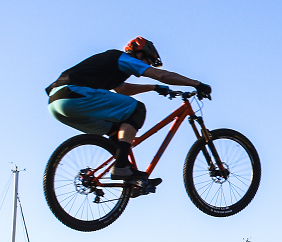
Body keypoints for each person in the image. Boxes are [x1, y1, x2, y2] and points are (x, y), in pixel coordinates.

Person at [46, 37, 212, 182]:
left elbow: (123, 89)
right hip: (73, 94)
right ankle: (121, 168)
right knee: (137, 109)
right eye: (147, 61)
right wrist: (197, 84)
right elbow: (162, 75)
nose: (144, 66)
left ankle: (127, 177)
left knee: (116, 131)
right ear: (140, 54)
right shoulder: (122, 58)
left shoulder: (114, 69)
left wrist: (153, 87)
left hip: (56, 104)